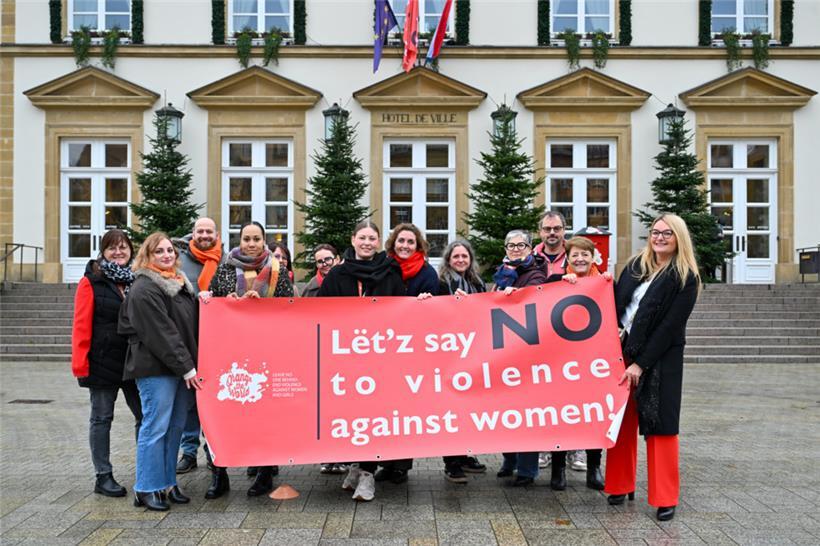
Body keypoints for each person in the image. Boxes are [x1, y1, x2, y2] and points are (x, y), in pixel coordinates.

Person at [604, 214, 701, 522]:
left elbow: (671, 327)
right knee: (621, 423)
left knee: (661, 427)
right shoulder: (635, 266)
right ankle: (619, 485)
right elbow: (614, 303)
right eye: (656, 232)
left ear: (678, 238)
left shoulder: (685, 277)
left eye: (667, 233)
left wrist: (641, 364)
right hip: (622, 353)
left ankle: (665, 498)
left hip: (662, 359)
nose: (659, 238)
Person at [204, 221, 293, 498]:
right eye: (246, 239)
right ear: (239, 240)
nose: (251, 244)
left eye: (256, 239)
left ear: (264, 241)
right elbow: (212, 302)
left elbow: (289, 308)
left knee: (264, 415)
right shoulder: (226, 268)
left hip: (266, 353)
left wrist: (262, 306)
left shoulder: (277, 270)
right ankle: (220, 474)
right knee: (223, 414)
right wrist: (226, 301)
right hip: (229, 353)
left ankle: (264, 472)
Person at [319, 220, 406, 501]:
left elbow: (402, 310)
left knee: (373, 414)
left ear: (379, 241)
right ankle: (356, 465)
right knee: (351, 415)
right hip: (345, 358)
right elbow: (319, 313)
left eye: (372, 238)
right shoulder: (337, 275)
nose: (367, 242)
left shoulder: (391, 271)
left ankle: (368, 475)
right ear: (353, 240)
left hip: (379, 357)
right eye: (362, 237)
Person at [118, 232, 201, 511]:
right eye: (159, 252)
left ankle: (167, 483)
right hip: (156, 369)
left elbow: (187, 323)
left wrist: (205, 300)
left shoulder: (178, 283)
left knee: (175, 426)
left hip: (178, 367)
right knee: (155, 427)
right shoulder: (145, 287)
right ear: (147, 256)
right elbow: (162, 334)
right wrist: (187, 368)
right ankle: (146, 487)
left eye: (170, 251)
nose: (167, 255)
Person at [71, 229, 142, 498]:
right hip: (102, 361)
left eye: (123, 247)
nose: (119, 252)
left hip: (134, 361)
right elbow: (81, 324)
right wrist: (81, 364)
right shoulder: (92, 281)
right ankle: (103, 476)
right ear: (103, 251)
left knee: (144, 418)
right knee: (101, 419)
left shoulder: (137, 279)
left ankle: (146, 471)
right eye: (112, 248)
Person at [418, 240, 488, 484]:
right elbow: (432, 315)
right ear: (448, 259)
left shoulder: (477, 283)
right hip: (449, 357)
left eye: (464, 256)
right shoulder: (440, 283)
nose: (460, 260)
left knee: (470, 409)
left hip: (473, 355)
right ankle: (452, 462)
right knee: (452, 409)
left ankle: (466, 454)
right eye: (455, 256)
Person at [549, 236, 613, 491]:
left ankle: (594, 467)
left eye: (585, 254)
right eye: (575, 255)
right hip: (562, 363)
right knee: (562, 416)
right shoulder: (556, 282)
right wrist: (561, 286)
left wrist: (607, 284)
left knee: (594, 414)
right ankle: (558, 468)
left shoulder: (605, 283)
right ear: (568, 257)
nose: (580, 259)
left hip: (594, 362)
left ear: (593, 257)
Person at [377, 223, 439, 484]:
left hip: (412, 352)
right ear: (393, 243)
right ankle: (386, 462)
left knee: (405, 411)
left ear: (418, 245)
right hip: (383, 349)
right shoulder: (383, 268)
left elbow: (438, 311)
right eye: (401, 241)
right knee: (384, 409)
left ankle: (401, 465)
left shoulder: (427, 273)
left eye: (410, 242)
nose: (405, 246)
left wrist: (427, 304)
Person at [493, 230, 548, 486]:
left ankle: (527, 469)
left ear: (530, 248)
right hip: (505, 351)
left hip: (529, 351)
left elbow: (532, 302)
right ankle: (510, 459)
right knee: (506, 409)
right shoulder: (502, 272)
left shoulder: (536, 272)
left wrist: (512, 295)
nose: (516, 249)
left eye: (521, 245)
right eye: (511, 245)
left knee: (527, 412)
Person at [173, 217, 224, 475]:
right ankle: (189, 451)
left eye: (209, 231)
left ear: (217, 234)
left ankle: (213, 452)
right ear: (192, 233)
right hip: (189, 340)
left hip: (218, 344)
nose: (204, 235)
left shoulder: (225, 262)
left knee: (213, 403)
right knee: (190, 401)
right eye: (200, 231)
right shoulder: (180, 261)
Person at [302, 243, 346, 475]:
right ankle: (327, 455)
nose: (325, 264)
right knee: (324, 408)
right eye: (320, 261)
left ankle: (342, 455)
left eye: (328, 259)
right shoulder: (310, 289)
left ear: (337, 259)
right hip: (321, 353)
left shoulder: (348, 280)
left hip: (346, 351)